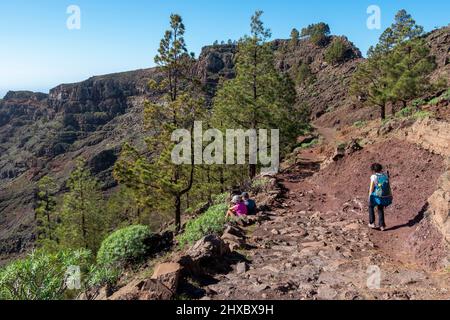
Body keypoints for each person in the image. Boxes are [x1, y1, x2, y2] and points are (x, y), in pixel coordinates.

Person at [368, 163, 393, 232]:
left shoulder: (374, 176)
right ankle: (382, 226)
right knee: (380, 208)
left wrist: (369, 196)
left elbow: (371, 187)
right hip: (384, 195)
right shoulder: (385, 175)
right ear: (380, 168)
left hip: (376, 195)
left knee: (370, 206)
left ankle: (372, 223)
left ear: (373, 169)